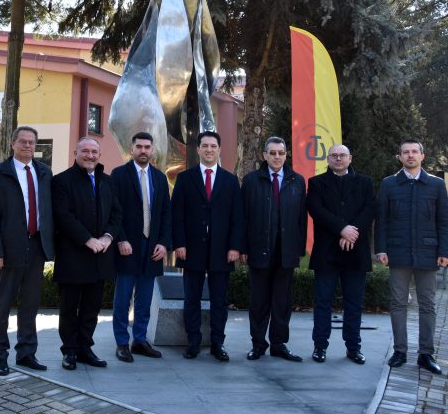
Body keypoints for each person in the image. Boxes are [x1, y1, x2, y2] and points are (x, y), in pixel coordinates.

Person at [375, 140, 448, 374]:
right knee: (398, 303)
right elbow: (382, 220)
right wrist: (381, 249)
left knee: (427, 304)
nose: (410, 155)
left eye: (414, 152)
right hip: (398, 252)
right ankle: (400, 351)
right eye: (405, 152)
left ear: (422, 156)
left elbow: (444, 221)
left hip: (428, 253)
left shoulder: (436, 184)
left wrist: (445, 252)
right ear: (399, 157)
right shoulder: (389, 184)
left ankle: (426, 355)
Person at [0, 126, 54, 376]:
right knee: (2, 305)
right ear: (12, 143)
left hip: (36, 245)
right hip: (9, 247)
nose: (27, 146)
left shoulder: (44, 172)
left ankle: (26, 353)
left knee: (30, 304)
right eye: (22, 142)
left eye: (31, 142)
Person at [171, 130, 244, 361]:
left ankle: (217, 344)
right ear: (198, 149)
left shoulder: (230, 180)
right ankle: (193, 342)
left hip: (222, 251)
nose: (209, 150)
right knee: (191, 298)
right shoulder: (185, 178)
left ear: (219, 150)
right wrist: (179, 243)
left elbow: (237, 217)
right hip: (191, 249)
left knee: (219, 301)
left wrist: (235, 247)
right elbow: (177, 215)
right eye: (205, 146)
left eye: (213, 146)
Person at [52, 137, 123, 370]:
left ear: (99, 155)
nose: (90, 155)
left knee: (92, 308)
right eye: (85, 151)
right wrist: (87, 239)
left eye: (94, 151)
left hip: (100, 256)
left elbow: (116, 214)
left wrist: (107, 237)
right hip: (73, 256)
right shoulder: (61, 181)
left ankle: (85, 348)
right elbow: (63, 216)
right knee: (69, 308)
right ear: (76, 153)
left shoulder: (107, 181)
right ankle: (69, 351)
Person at [306, 144, 376, 364]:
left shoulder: (365, 182)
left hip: (356, 252)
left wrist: (352, 233)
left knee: (354, 304)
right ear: (328, 159)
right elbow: (316, 210)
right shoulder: (316, 183)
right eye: (334, 155)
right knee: (322, 303)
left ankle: (353, 348)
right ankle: (320, 346)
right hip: (327, 252)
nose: (338, 159)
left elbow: (370, 210)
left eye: (342, 155)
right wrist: (341, 229)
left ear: (350, 158)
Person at [241, 136, 307, 362]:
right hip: (259, 249)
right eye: (272, 153)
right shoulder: (251, 181)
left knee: (282, 302)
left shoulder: (297, 181)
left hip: (286, 252)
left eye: (281, 153)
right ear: (264, 155)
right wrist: (243, 247)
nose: (277, 157)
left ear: (286, 155)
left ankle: (279, 344)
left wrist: (299, 248)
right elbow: (243, 217)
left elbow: (301, 219)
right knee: (259, 301)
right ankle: (258, 344)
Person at [110, 132, 172, 363]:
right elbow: (113, 211)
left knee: (145, 299)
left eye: (147, 147)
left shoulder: (159, 178)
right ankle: (121, 343)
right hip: (127, 245)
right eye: (139, 146)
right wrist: (120, 239)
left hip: (152, 247)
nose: (143, 150)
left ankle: (140, 340)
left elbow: (166, 213)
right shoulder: (119, 175)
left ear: (152, 150)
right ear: (132, 149)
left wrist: (164, 243)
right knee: (123, 299)